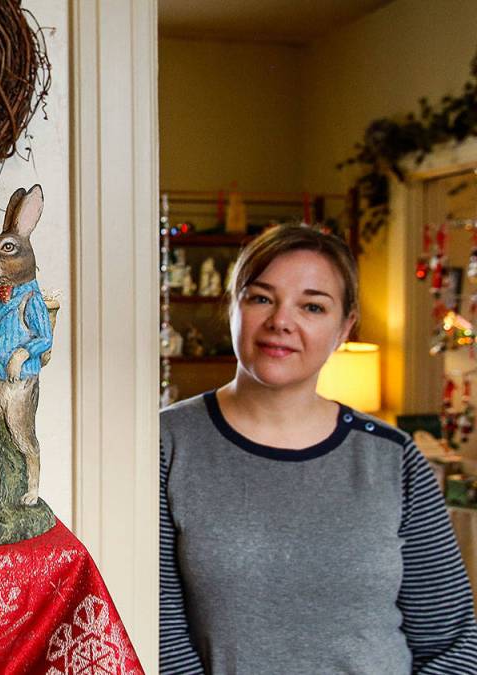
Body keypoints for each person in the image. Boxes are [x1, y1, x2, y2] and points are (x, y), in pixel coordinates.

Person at [160, 224, 477, 673]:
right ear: (232, 305)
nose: (281, 322)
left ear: (344, 327)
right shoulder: (166, 445)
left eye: (312, 306)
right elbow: (158, 639)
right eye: (261, 298)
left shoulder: (394, 458)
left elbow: (453, 643)